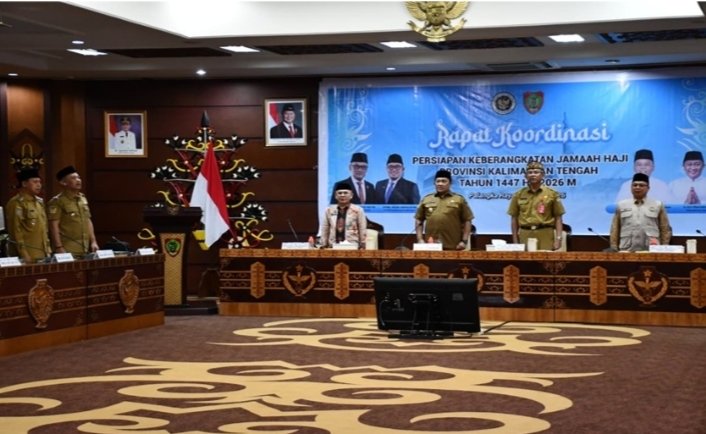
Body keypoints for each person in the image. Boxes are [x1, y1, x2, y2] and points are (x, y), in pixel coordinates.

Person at [508, 160, 565, 251]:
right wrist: (515, 240)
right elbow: (514, 218)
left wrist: (558, 238)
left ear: (542, 175)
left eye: (536, 172)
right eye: (530, 172)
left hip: (545, 233)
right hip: (525, 233)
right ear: (525, 176)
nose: (533, 175)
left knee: (545, 259)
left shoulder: (552, 194)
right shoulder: (518, 194)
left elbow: (558, 217)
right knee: (525, 260)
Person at [610, 173, 672, 251]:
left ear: (648, 188)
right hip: (626, 250)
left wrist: (663, 248)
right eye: (635, 185)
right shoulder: (622, 205)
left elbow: (665, 228)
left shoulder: (658, 205)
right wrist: (614, 248)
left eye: (641, 185)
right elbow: (615, 228)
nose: (637, 187)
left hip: (651, 249)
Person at [415, 169, 473, 250]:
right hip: (431, 245)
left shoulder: (459, 199)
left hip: (453, 245)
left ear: (450, 183)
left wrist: (464, 241)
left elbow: (467, 220)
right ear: (434, 183)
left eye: (444, 181)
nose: (440, 184)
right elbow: (418, 220)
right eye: (438, 181)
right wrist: (420, 239)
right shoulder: (426, 199)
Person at [48, 166, 99, 257]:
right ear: (63, 183)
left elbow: (88, 220)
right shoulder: (57, 201)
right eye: (73, 178)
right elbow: (53, 225)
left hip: (84, 247)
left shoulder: (82, 198)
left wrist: (93, 241)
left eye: (79, 177)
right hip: (67, 248)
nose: (78, 180)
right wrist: (58, 246)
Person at [4, 168, 51, 262]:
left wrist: (48, 249)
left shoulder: (39, 202)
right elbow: (15, 231)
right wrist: (24, 254)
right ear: (24, 183)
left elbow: (44, 228)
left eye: (40, 182)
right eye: (35, 182)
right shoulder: (16, 203)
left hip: (43, 253)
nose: (39, 185)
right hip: (28, 255)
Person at [319, 181, 367, 249]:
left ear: (351, 195)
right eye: (340, 193)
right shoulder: (329, 210)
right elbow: (325, 228)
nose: (342, 195)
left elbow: (362, 228)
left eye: (345, 193)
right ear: (335, 196)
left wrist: (363, 245)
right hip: (333, 246)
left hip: (352, 246)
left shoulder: (358, 210)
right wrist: (323, 245)